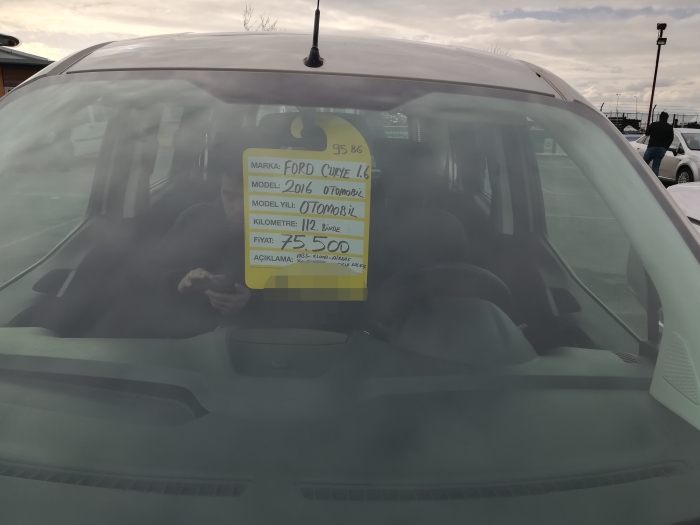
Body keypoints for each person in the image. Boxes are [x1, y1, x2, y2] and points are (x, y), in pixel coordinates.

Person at [644, 111, 674, 176]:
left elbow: (646, 133)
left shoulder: (654, 125)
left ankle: (641, 177)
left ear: (660, 117)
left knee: (644, 164)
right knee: (656, 166)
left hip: (651, 147)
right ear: (667, 118)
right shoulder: (669, 127)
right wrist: (666, 147)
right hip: (662, 149)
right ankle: (654, 180)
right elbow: (671, 139)